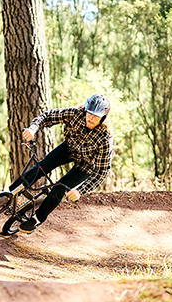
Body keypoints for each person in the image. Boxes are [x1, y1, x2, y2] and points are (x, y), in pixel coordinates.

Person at [10, 94, 114, 234]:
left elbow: (102, 171)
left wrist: (80, 191)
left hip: (86, 165)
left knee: (59, 188)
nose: (90, 118)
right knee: (42, 166)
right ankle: (10, 194)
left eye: (95, 117)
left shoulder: (105, 137)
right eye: (89, 114)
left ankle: (37, 219)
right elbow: (48, 116)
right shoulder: (75, 114)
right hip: (69, 148)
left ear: (103, 118)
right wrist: (33, 128)